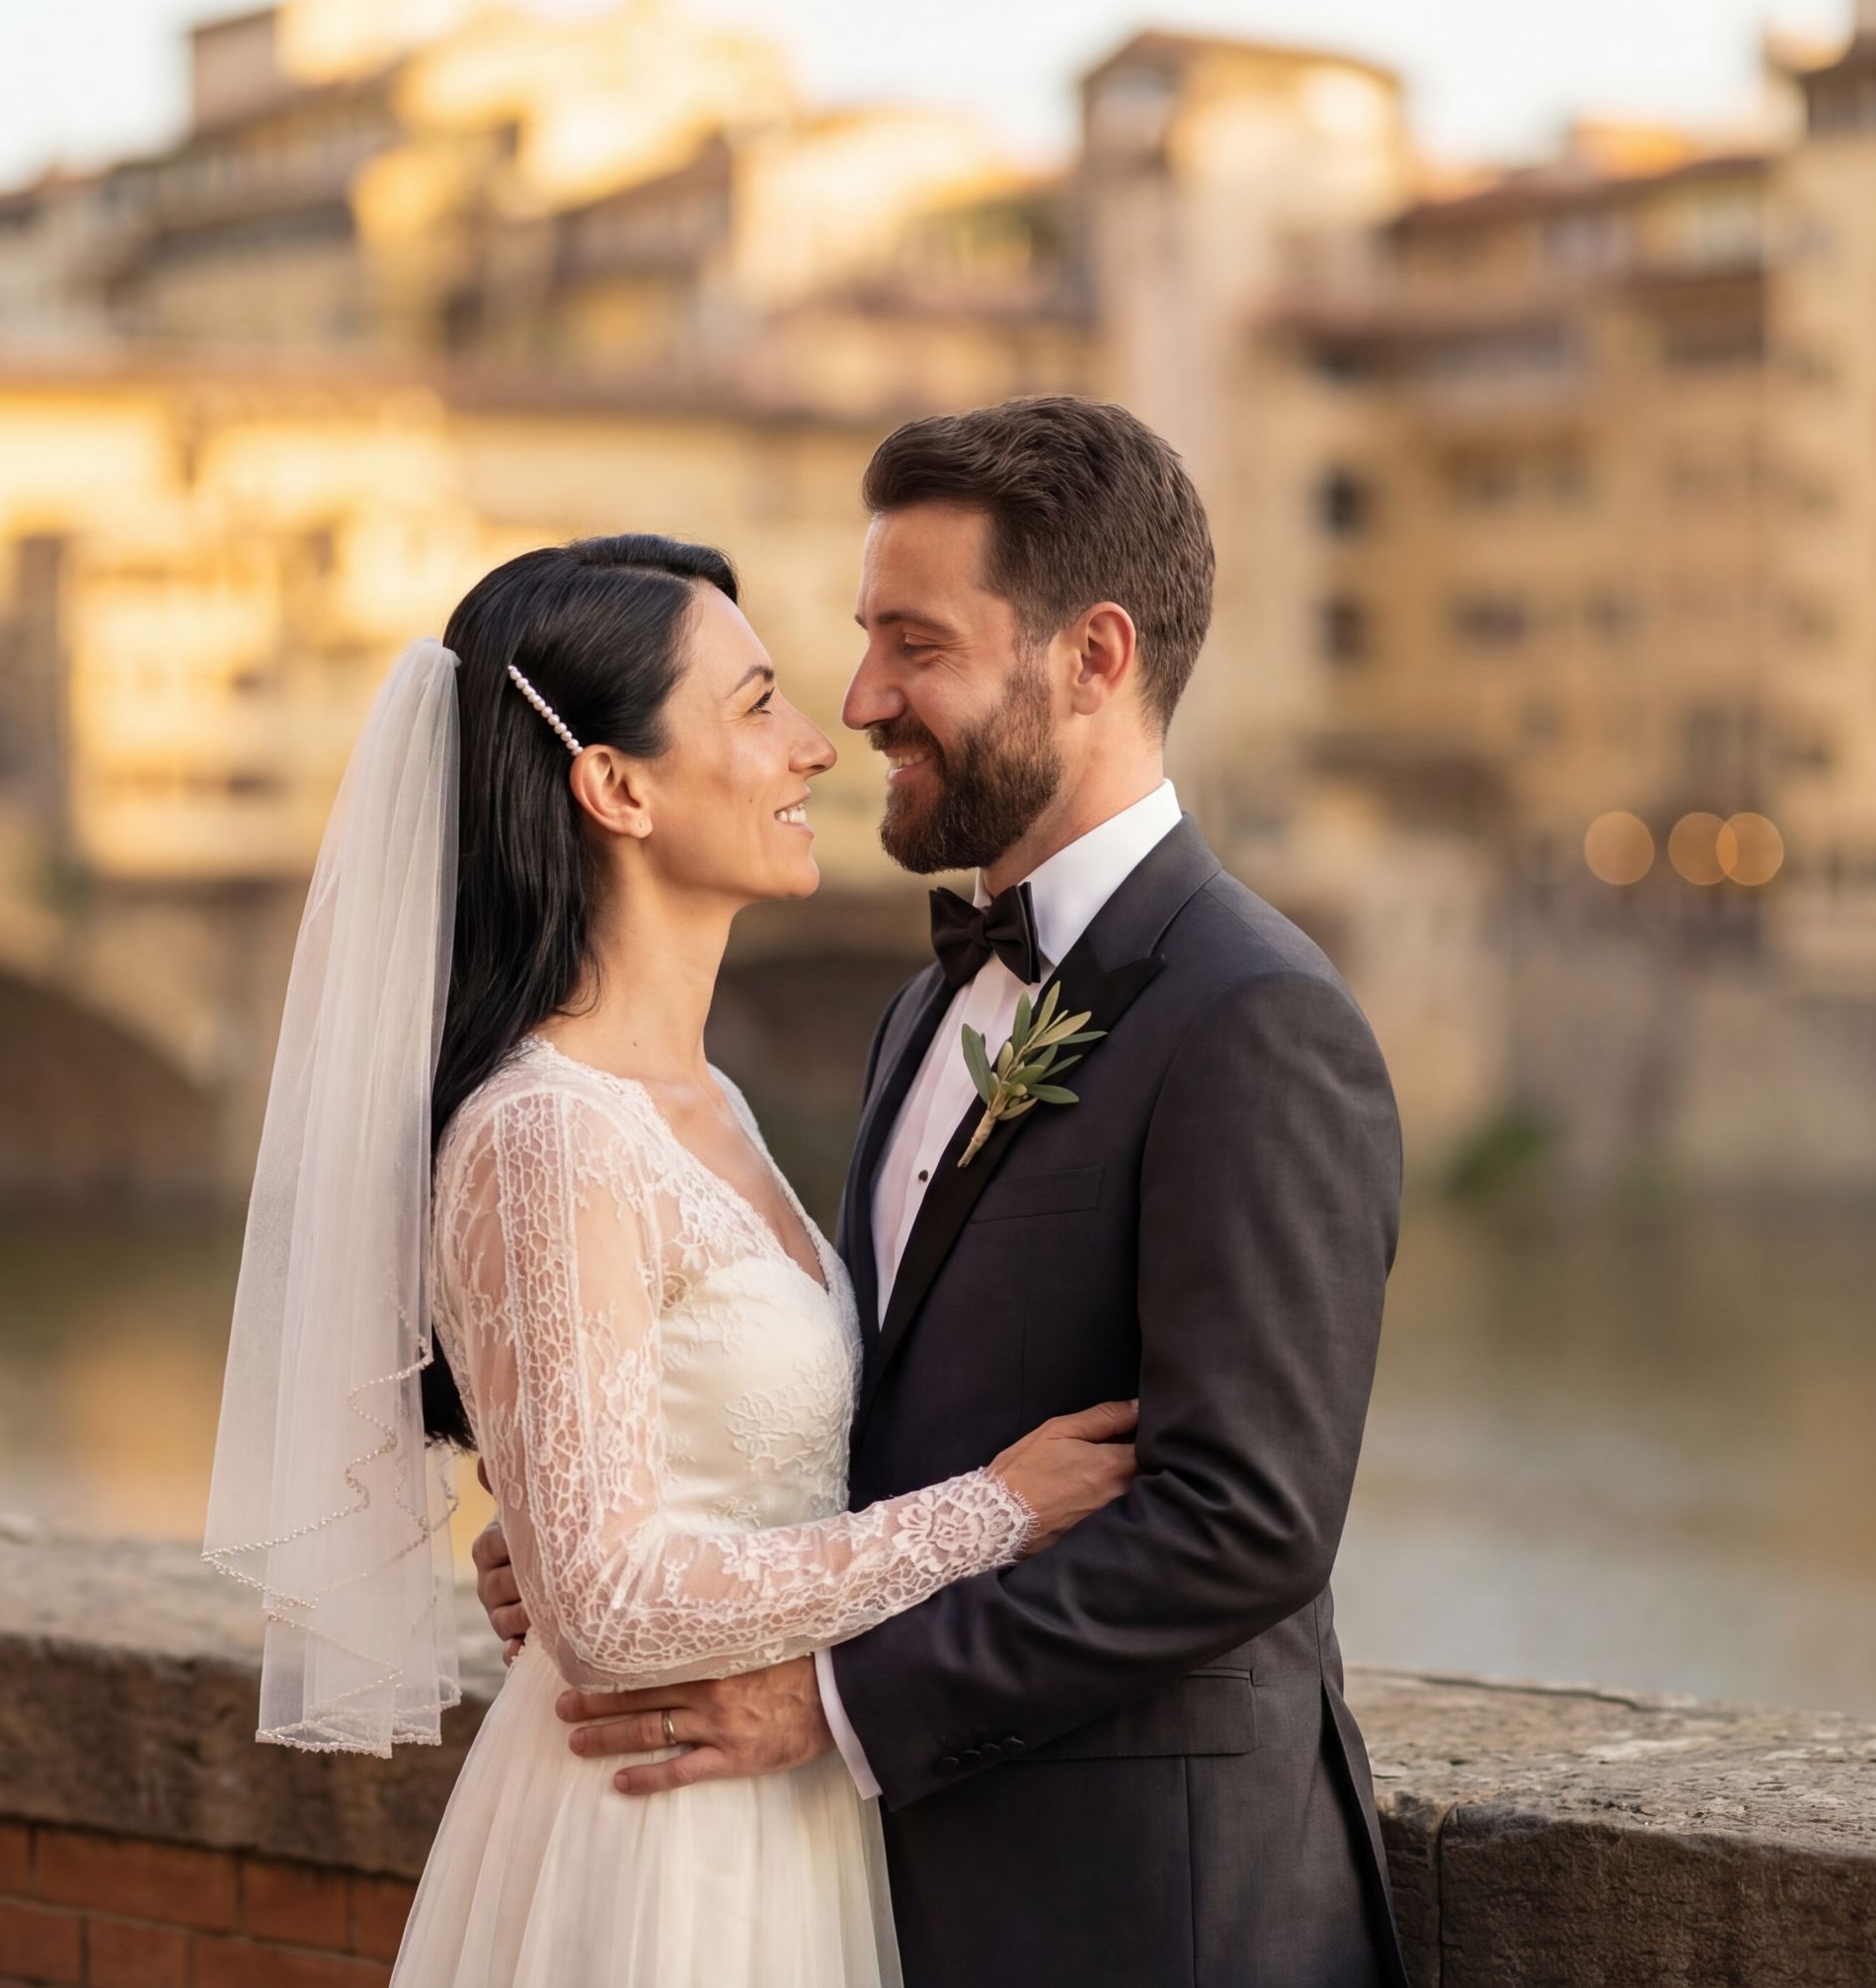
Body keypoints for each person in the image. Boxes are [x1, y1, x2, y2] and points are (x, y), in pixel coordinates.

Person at [472, 399, 1408, 1987]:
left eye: (915, 644)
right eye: (857, 642)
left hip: (1147, 1916)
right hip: (872, 1895)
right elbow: (866, 1415)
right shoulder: (921, 1013)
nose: (860, 702)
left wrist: (833, 1701)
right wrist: (616, 1523)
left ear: (1092, 658)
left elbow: (1243, 1521)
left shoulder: (1256, 1015)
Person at [203, 533, 1141, 1987]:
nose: (815, 745)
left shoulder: (715, 1105)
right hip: (656, 1851)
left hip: (793, 1811)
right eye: (757, 704)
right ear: (617, 785)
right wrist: (995, 1513)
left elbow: (666, 1486)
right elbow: (610, 1605)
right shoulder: (544, 1131)